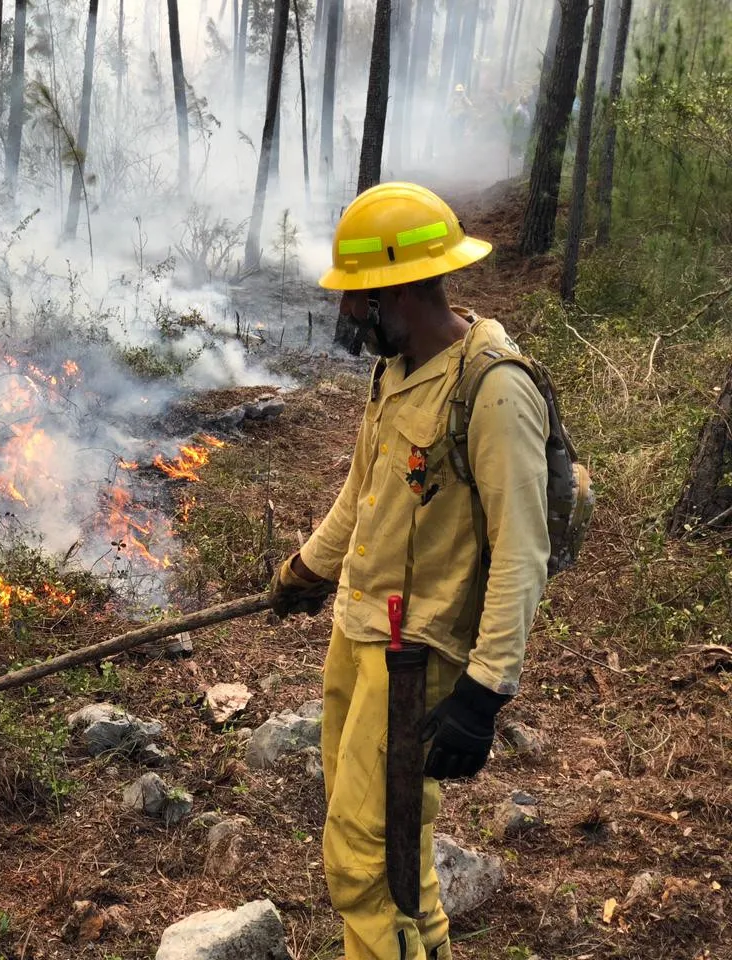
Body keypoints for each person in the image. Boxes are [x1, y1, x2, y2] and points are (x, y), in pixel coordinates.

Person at [267, 182, 551, 960]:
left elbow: (524, 550)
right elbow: (362, 494)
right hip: (357, 631)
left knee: (362, 862)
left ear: (397, 289)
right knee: (392, 852)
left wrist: (485, 693)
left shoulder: (492, 389)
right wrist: (305, 571)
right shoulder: (396, 373)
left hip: (414, 657)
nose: (350, 318)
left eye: (358, 301)